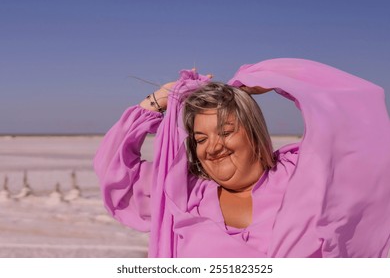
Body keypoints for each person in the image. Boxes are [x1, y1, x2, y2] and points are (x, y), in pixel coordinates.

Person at [94, 58, 390, 258]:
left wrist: (281, 79)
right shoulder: (185, 195)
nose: (213, 147)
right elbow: (115, 173)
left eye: (225, 131)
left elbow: (359, 125)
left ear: (254, 132)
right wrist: (156, 103)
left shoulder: (307, 176)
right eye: (200, 138)